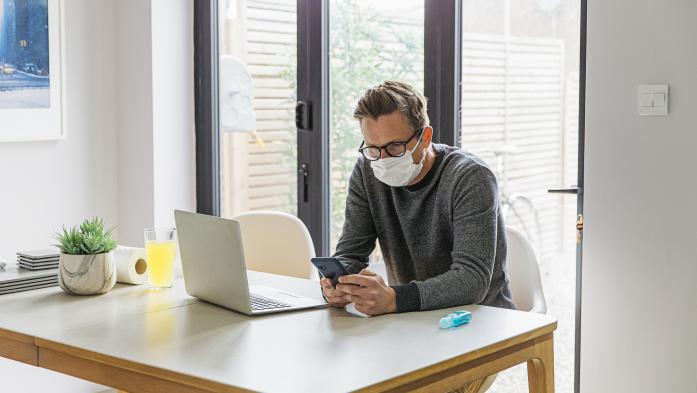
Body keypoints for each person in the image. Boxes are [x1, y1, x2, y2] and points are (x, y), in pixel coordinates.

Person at [320, 80, 515, 317]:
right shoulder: (366, 171)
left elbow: (471, 280)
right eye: (373, 148)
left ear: (425, 137)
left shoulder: (470, 177)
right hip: (410, 318)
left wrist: (394, 298)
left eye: (394, 147)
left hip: (480, 320)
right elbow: (351, 252)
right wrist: (338, 284)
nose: (383, 159)